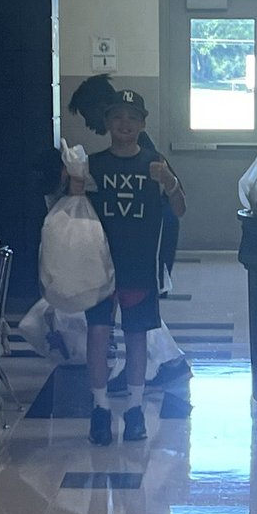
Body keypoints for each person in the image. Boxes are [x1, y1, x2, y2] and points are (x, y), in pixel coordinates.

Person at [70, 89, 186, 445]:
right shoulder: (94, 163)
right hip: (99, 265)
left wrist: (169, 181)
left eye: (132, 118)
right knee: (98, 334)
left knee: (136, 336)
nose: (125, 125)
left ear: (143, 123)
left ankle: (135, 408)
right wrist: (74, 183)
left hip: (139, 264)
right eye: (118, 117)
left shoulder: (155, 163)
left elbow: (179, 209)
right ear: (107, 123)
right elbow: (74, 211)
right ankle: (100, 408)